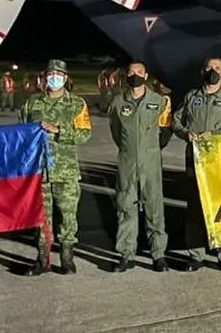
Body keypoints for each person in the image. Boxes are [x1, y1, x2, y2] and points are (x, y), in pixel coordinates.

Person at [172, 56, 221, 272]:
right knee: (195, 209)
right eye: (209, 68)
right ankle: (196, 254)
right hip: (195, 161)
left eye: (217, 68)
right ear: (202, 71)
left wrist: (215, 135)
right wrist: (185, 133)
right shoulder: (191, 97)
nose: (213, 71)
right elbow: (176, 120)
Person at [19, 59, 93, 276]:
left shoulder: (77, 104)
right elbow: (22, 130)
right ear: (44, 77)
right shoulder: (32, 103)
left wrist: (58, 130)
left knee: (68, 217)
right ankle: (42, 259)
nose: (54, 77)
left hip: (66, 171)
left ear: (66, 77)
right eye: (50, 73)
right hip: (39, 172)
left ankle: (67, 258)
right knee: (41, 217)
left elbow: (84, 133)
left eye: (58, 74)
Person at [109, 60, 173, 273]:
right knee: (126, 206)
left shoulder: (160, 101)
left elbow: (165, 131)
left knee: (155, 208)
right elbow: (116, 132)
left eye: (139, 72)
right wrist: (130, 151)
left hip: (151, 161)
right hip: (127, 162)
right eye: (130, 72)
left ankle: (158, 255)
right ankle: (127, 254)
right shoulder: (118, 103)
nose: (134, 75)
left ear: (146, 76)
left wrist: (150, 150)